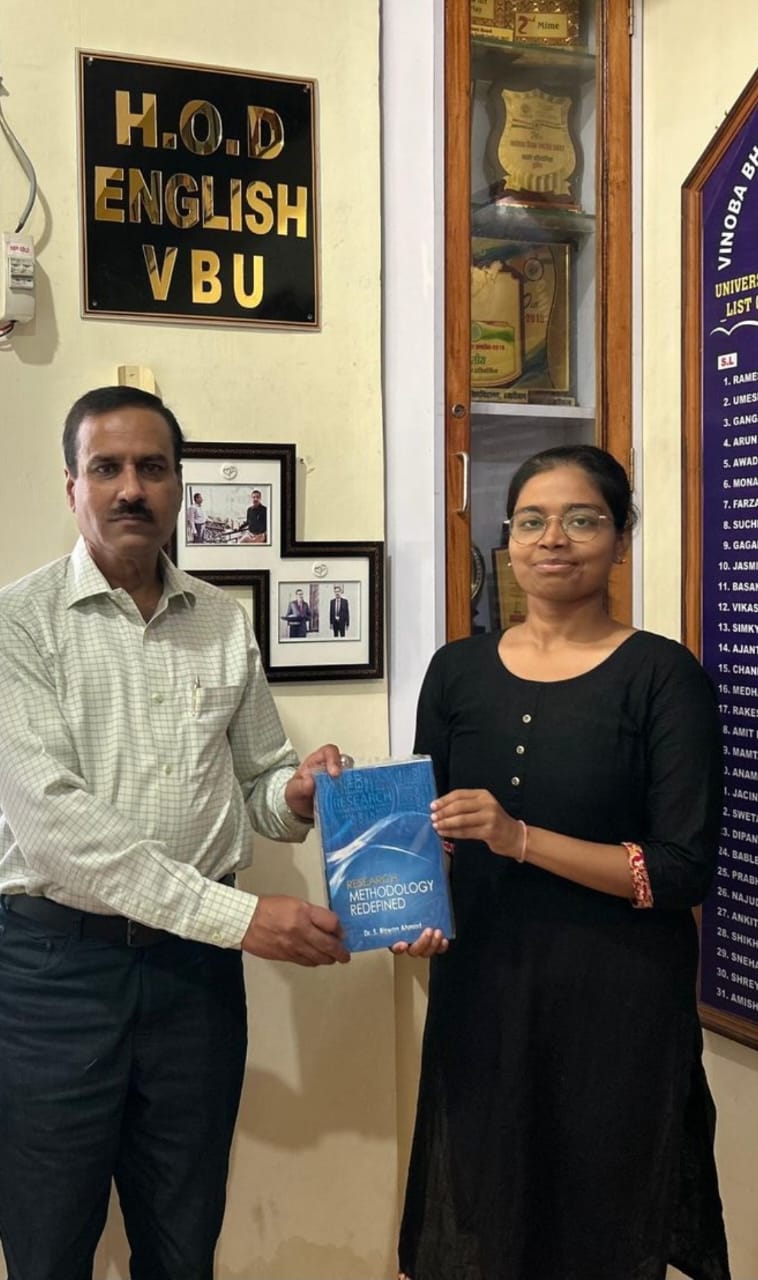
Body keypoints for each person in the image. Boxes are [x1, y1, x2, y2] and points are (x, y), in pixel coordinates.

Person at [0, 385, 350, 1280]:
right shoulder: (16, 624)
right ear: (71, 486)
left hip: (194, 982)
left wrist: (297, 794)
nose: (131, 488)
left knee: (184, 1241)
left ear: (179, 488)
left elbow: (258, 780)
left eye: (152, 468)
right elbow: (56, 831)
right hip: (53, 977)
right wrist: (242, 918)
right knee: (46, 1245)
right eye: (107, 468)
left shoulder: (224, 623)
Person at [395, 444, 731, 1280]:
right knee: (484, 1216)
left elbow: (680, 870)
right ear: (508, 540)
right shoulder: (455, 670)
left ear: (620, 539)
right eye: (532, 521)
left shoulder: (663, 675)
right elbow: (424, 832)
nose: (554, 539)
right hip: (484, 990)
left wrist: (519, 838)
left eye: (583, 520)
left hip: (618, 1003)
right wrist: (409, 907)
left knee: (602, 1224)